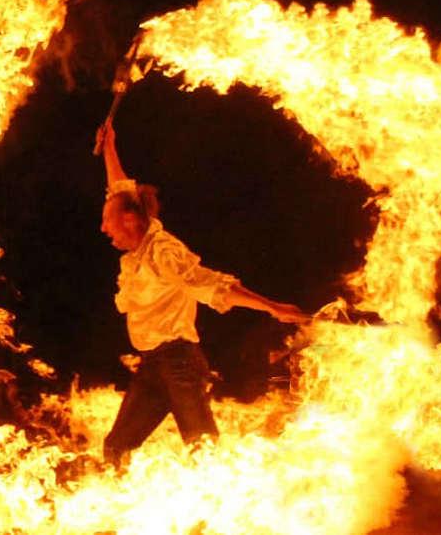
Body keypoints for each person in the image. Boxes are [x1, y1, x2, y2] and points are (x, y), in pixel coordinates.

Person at [95, 120, 307, 466]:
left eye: (108, 219)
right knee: (117, 448)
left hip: (180, 365)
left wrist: (271, 307)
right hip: (153, 367)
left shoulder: (164, 252)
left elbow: (212, 285)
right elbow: (119, 190)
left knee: (203, 453)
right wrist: (109, 147)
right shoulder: (137, 243)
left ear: (131, 220)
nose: (103, 227)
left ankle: (227, 515)